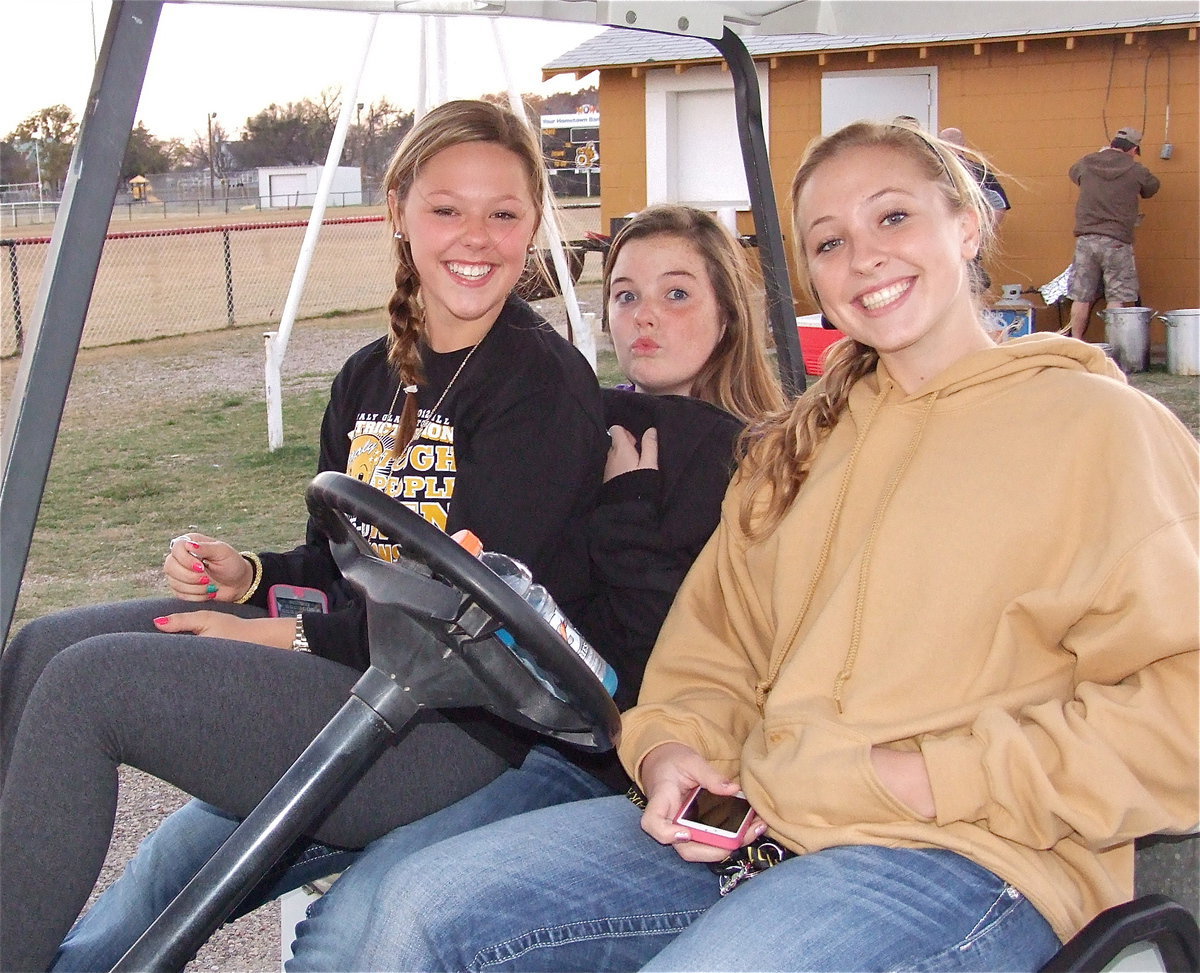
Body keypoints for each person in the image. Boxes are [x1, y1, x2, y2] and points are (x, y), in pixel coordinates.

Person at [336, 119, 1198, 973]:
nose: (864, 258)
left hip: (971, 851)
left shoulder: (1094, 430)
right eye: (829, 242)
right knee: (419, 911)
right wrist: (673, 751)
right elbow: (712, 652)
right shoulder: (795, 449)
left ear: (966, 225)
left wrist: (930, 776)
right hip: (759, 823)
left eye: (893, 218)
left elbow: (1180, 711)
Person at [39, 205, 785, 971]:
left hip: (580, 753)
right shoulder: (581, 415)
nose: (645, 315)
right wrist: (263, 577)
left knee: (348, 930)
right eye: (626, 294)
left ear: (728, 312)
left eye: (677, 293)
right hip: (460, 703)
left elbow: (673, 650)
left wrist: (627, 510)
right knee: (178, 855)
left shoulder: (752, 459)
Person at [0, 98, 613, 973]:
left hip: (451, 728)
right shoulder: (370, 376)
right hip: (354, 677)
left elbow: (465, 629)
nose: (476, 238)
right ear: (399, 210)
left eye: (504, 214)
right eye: (447, 208)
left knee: (88, 686)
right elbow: (338, 568)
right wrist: (249, 578)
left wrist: (274, 634)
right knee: (43, 646)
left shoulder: (541, 385)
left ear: (534, 224)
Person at [1066, 126, 1160, 340]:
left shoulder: (1087, 162)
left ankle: (1075, 343)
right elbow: (1152, 188)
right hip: (1117, 240)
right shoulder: (1135, 169)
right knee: (1116, 297)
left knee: (1081, 297)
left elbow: (1073, 173)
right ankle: (1114, 346)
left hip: (1086, 239)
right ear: (1134, 149)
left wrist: (1100, 157)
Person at [939, 126, 1011, 292]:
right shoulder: (980, 172)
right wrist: (982, 233)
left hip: (942, 238)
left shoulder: (932, 172)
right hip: (966, 238)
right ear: (963, 145)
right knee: (967, 286)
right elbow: (999, 205)